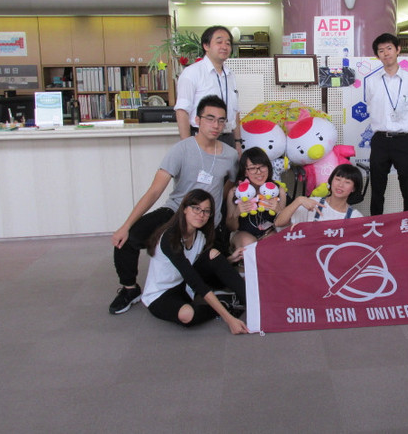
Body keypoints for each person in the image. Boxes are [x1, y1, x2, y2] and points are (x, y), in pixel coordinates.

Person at [109, 94, 238, 315]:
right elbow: (155, 190)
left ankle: (189, 287)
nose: (216, 125)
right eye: (210, 118)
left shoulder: (231, 155)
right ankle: (130, 289)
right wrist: (126, 225)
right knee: (126, 239)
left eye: (221, 120)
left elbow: (231, 184)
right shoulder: (182, 149)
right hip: (176, 211)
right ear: (197, 120)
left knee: (219, 275)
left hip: (207, 220)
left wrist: (219, 210)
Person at [142, 188, 248, 333]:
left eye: (206, 211)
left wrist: (229, 260)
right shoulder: (170, 238)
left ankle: (251, 300)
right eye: (196, 208)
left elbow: (202, 267)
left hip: (184, 286)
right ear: (185, 209)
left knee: (213, 254)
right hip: (161, 295)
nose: (201, 214)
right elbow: (194, 280)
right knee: (187, 315)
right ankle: (224, 306)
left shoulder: (200, 236)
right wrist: (229, 319)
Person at [365, 33, 408, 215]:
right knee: (377, 186)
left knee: (407, 185)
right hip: (380, 140)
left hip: (403, 140)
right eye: (381, 50)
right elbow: (370, 106)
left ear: (398, 50)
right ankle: (375, 223)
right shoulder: (371, 81)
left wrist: (401, 123)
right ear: (377, 55)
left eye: (389, 48)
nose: (386, 53)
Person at [173, 25, 241, 150]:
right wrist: (188, 147)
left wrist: (237, 142)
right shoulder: (191, 73)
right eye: (219, 42)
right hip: (202, 139)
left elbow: (235, 112)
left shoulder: (230, 75)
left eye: (228, 43)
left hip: (228, 139)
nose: (224, 46)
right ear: (206, 46)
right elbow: (182, 111)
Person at [225, 147, 286, 256]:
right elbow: (231, 227)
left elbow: (283, 224)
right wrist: (236, 214)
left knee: (273, 247)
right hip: (242, 234)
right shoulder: (235, 192)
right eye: (252, 168)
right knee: (249, 245)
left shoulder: (278, 190)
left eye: (262, 166)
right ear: (245, 172)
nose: (259, 172)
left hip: (269, 232)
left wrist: (279, 210)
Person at [275, 163, 363, 226]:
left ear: (353, 188)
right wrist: (298, 200)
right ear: (331, 181)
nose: (340, 185)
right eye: (338, 179)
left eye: (347, 182)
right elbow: (279, 223)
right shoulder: (312, 203)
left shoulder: (356, 217)